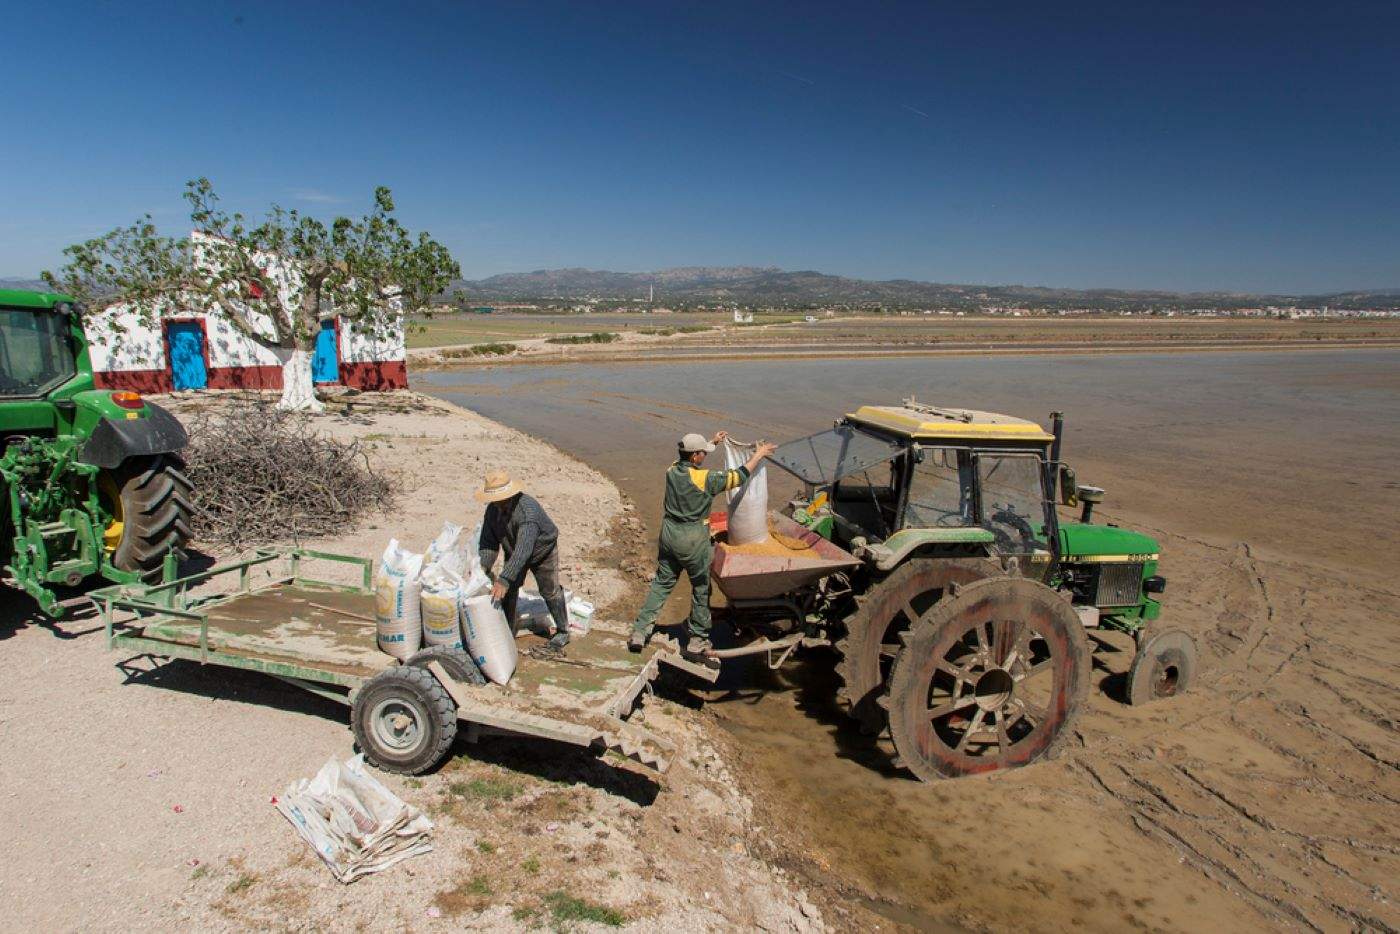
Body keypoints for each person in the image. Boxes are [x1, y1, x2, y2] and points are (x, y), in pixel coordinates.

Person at [629, 431, 777, 666]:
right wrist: (759, 454)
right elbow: (738, 477)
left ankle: (640, 631)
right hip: (692, 539)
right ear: (695, 456)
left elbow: (693, 456)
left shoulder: (672, 469)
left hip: (668, 534)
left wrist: (713, 443)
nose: (705, 457)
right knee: (700, 587)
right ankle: (698, 639)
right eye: (703, 454)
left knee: (662, 583)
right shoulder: (705, 479)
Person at [475, 469, 571, 650]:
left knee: (549, 590)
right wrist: (482, 568)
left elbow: (524, 550)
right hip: (514, 549)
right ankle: (507, 629)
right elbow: (488, 543)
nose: (496, 502)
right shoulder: (492, 511)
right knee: (508, 591)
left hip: (542, 550)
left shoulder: (527, 512)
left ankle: (563, 631)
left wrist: (504, 579)